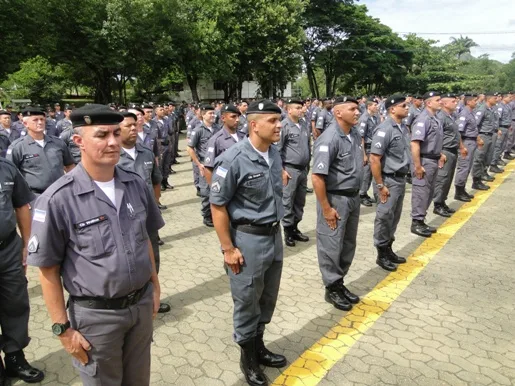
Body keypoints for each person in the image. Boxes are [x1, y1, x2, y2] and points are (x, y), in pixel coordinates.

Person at [27, 104, 164, 386]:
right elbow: (47, 271)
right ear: (79, 142)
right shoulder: (58, 199)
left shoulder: (136, 185)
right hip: (96, 319)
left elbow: (145, 238)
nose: (113, 142)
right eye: (102, 135)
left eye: (116, 133)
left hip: (139, 308)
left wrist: (154, 284)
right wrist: (62, 329)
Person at [210, 100, 286, 386]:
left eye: (279, 120)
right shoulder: (233, 158)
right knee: (247, 301)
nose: (279, 125)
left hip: (273, 236)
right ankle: (248, 360)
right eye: (272, 121)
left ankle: (259, 346)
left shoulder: (274, 153)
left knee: (267, 297)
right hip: (248, 239)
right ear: (254, 125)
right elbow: (217, 206)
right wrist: (228, 248)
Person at [311, 96, 364, 311]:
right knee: (331, 244)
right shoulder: (329, 138)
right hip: (335, 198)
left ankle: (339, 282)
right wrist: (326, 208)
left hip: (353, 197)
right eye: (352, 109)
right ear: (338, 112)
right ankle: (331, 287)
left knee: (348, 243)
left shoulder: (354, 134)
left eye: (358, 109)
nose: (357, 112)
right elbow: (317, 177)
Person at [117, 111, 171, 314]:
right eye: (127, 126)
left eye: (134, 125)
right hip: (123, 221)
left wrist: (155, 203)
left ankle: (151, 298)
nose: (133, 128)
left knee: (152, 259)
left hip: (147, 217)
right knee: (128, 261)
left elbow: (156, 180)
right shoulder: (113, 157)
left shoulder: (146, 152)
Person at [0, 157, 45, 384]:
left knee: (15, 303)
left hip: (7, 249)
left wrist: (27, 244)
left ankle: (15, 357)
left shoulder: (6, 168)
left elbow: (21, 205)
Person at [369, 95, 411, 272]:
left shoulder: (403, 128)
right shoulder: (384, 129)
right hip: (388, 180)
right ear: (392, 109)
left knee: (394, 217)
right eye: (404, 106)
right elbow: (374, 159)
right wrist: (380, 185)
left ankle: (388, 248)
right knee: (384, 216)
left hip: (399, 179)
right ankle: (381, 253)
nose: (407, 108)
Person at [6, 107, 75, 196]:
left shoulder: (58, 143)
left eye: (42, 119)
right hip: (34, 195)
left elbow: (70, 166)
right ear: (25, 123)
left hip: (61, 193)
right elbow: (10, 174)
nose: (40, 122)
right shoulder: (18, 147)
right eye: (35, 120)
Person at [276, 98, 311, 247]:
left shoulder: (303, 124)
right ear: (289, 110)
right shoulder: (284, 126)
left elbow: (308, 146)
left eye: (301, 107)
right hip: (289, 169)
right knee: (288, 201)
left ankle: (296, 227)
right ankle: (288, 231)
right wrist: (282, 171)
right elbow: (277, 150)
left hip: (303, 169)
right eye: (297, 107)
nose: (300, 110)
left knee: (300, 201)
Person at [433, 93, 467, 217]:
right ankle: (437, 204)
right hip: (445, 151)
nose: (456, 103)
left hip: (452, 150)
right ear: (445, 103)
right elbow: (435, 136)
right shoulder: (440, 117)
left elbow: (456, 134)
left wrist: (461, 146)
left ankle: (442, 201)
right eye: (453, 101)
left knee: (448, 179)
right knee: (442, 178)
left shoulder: (451, 116)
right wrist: (439, 153)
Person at [187, 104, 220, 227]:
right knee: (206, 191)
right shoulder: (198, 130)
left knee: (219, 189)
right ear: (203, 115)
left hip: (218, 164)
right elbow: (190, 148)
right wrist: (198, 164)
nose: (212, 115)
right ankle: (207, 216)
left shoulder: (218, 128)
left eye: (213, 113)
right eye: (210, 113)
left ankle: (217, 214)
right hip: (205, 165)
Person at [204, 104, 244, 184]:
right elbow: (208, 168)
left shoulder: (244, 137)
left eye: (238, 117)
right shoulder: (216, 140)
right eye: (233, 117)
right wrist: (214, 190)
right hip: (226, 183)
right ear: (223, 118)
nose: (237, 120)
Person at [455, 94, 484, 198]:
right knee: (463, 167)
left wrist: (477, 138)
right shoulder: (464, 113)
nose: (476, 102)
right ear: (468, 102)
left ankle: (462, 190)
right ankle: (459, 191)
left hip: (472, 141)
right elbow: (459, 131)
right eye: (474, 101)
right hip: (466, 142)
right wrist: (462, 146)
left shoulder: (471, 113)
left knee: (467, 167)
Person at [471, 93, 499, 189]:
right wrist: (478, 137)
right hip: (483, 135)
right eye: (494, 98)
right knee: (479, 158)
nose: (496, 100)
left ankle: (483, 173)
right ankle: (476, 180)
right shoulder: (482, 109)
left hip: (490, 135)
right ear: (489, 99)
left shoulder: (491, 109)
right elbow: (475, 124)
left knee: (487, 157)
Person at [357, 97, 379, 207]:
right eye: (375, 105)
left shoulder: (375, 118)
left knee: (370, 173)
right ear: (369, 106)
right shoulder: (364, 118)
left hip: (374, 148)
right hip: (367, 148)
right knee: (366, 174)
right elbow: (361, 137)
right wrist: (364, 155)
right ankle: (361, 194)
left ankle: (365, 193)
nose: (377, 107)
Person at [490, 93, 512, 170]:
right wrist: (498, 129)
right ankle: (493, 163)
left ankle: (497, 159)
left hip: (506, 127)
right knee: (498, 146)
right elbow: (498, 119)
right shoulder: (500, 107)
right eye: (509, 97)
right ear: (504, 98)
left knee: (503, 145)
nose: (510, 99)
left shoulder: (507, 106)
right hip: (501, 128)